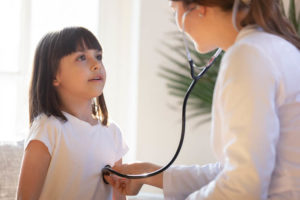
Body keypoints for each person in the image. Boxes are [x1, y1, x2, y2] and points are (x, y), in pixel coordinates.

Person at [105, 0, 300, 199]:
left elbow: (244, 185)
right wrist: (149, 174)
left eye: (175, 10)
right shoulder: (276, 48)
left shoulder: (248, 55)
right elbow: (235, 171)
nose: (179, 24)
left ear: (197, 8)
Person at [17, 27, 128, 200]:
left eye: (98, 56)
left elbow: (119, 196)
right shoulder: (47, 129)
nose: (96, 64)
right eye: (81, 57)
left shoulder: (113, 133)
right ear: (54, 76)